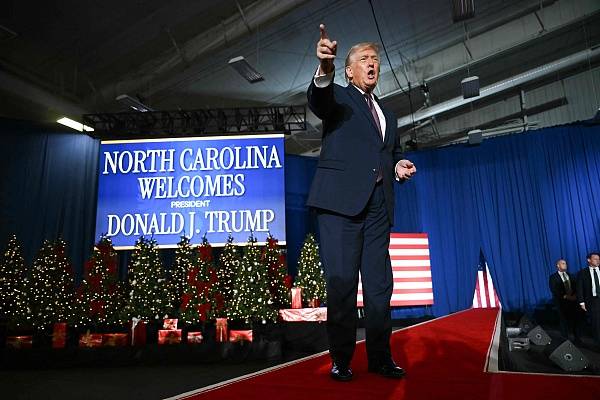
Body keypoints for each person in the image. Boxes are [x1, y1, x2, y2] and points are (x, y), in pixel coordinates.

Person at [307, 24, 416, 382]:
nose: (372, 63)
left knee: (379, 287)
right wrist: (325, 67)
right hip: (340, 206)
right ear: (350, 70)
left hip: (378, 208)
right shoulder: (339, 97)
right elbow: (319, 100)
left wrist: (398, 165)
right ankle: (341, 360)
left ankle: (381, 358)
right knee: (341, 285)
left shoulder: (388, 114)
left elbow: (389, 153)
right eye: (364, 59)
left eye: (375, 59)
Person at [548, 259, 580, 342]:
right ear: (558, 265)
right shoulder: (553, 277)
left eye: (565, 263)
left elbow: (576, 287)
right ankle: (565, 339)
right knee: (563, 321)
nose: (565, 265)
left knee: (575, 320)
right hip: (561, 302)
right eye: (563, 263)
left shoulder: (571, 275)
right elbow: (554, 290)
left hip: (573, 301)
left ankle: (577, 338)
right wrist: (566, 296)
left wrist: (575, 296)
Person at [577, 252, 600, 347]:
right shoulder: (582, 273)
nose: (598, 261)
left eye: (599, 259)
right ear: (589, 260)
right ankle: (598, 343)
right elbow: (580, 288)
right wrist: (581, 302)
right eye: (595, 259)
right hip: (593, 301)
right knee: (596, 323)